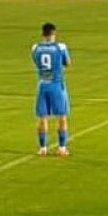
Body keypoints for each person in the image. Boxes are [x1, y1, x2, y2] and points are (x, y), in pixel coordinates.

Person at [32, 22, 71, 156]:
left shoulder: (35, 48)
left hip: (42, 85)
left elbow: (36, 62)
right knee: (61, 117)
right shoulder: (60, 47)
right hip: (56, 85)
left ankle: (43, 148)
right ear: (53, 34)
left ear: (43, 34)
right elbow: (68, 63)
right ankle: (61, 148)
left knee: (42, 117)